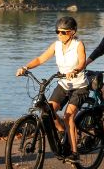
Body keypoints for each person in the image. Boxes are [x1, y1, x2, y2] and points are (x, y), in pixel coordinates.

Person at [15, 16, 88, 151]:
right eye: (58, 32)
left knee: (68, 117)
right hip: (64, 85)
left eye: (63, 32)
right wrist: (25, 68)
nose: (60, 35)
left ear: (72, 32)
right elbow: (40, 58)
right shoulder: (56, 45)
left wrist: (75, 70)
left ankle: (74, 153)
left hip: (79, 87)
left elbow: (82, 62)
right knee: (47, 111)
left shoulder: (78, 44)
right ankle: (62, 131)